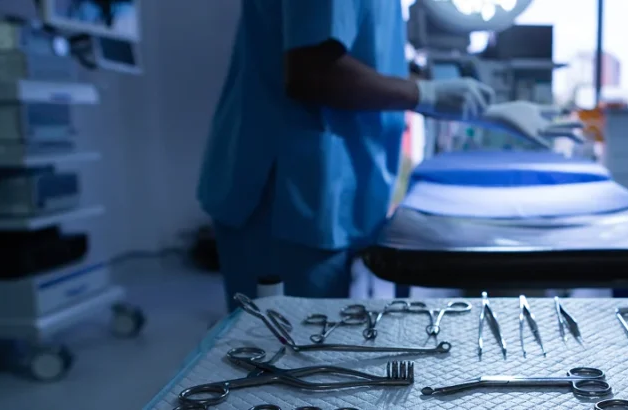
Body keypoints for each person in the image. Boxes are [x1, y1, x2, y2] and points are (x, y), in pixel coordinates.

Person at [197, 0, 509, 311]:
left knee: (314, 339)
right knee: (283, 345)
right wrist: (426, 95)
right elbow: (312, 71)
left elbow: (365, 58)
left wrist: (469, 105)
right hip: (289, 195)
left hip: (326, 190)